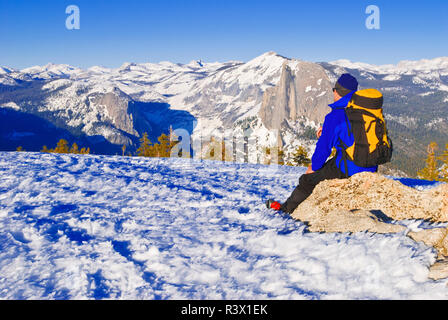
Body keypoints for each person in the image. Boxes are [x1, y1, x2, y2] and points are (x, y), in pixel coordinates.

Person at [267, 73, 378, 214]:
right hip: (371, 165)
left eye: (334, 90)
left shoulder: (335, 116)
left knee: (307, 179)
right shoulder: (366, 110)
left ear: (336, 92)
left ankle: (287, 209)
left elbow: (323, 150)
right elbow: (354, 137)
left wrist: (313, 168)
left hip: (349, 168)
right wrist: (327, 133)